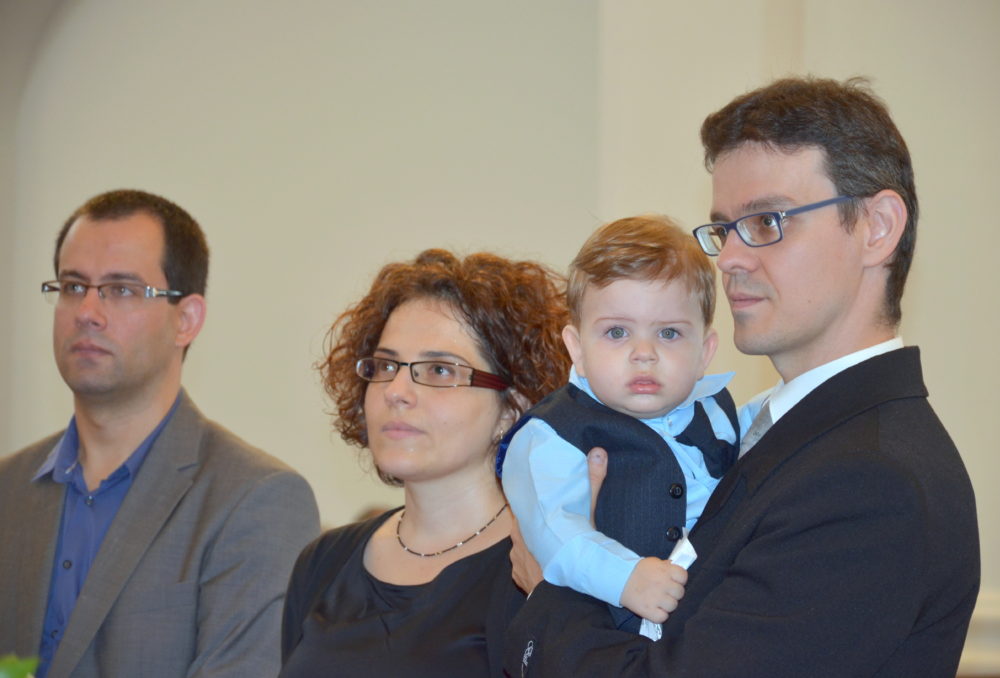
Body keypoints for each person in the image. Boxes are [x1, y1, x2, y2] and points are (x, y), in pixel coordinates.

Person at [503, 77, 980, 677]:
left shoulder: (871, 481)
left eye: (767, 221)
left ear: (877, 227)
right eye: (724, 229)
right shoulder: (770, 429)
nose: (728, 258)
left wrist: (549, 597)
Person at [0, 189, 320, 678]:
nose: (87, 311)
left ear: (185, 320)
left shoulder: (255, 500)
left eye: (121, 289)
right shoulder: (8, 487)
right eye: (72, 286)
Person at [279, 249, 571, 677]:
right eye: (385, 365)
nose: (396, 391)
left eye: (439, 370)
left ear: (512, 409)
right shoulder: (324, 560)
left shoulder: (538, 565)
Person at [499, 215, 744, 634]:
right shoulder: (552, 434)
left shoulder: (716, 410)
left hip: (718, 623)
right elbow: (552, 529)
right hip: (610, 636)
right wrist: (624, 577)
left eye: (668, 333)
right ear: (577, 348)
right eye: (617, 333)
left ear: (705, 351)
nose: (643, 353)